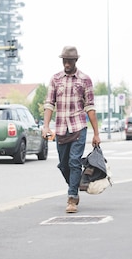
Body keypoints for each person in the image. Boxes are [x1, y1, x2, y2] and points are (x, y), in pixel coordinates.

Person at [42, 46, 101, 214]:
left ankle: (72, 197)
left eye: (69, 60)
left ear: (76, 61)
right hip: (60, 128)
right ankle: (76, 184)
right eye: (64, 60)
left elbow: (90, 107)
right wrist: (46, 126)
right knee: (63, 164)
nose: (66, 63)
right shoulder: (55, 79)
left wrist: (96, 133)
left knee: (74, 162)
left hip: (78, 127)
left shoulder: (85, 80)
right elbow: (49, 104)